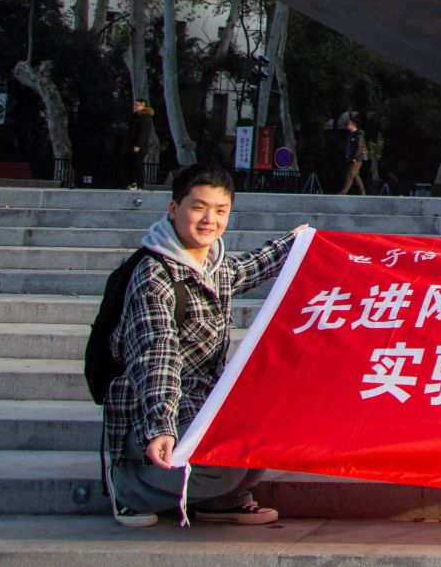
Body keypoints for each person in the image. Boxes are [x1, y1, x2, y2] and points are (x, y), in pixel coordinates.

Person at [103, 164, 301, 528]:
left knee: (261, 439)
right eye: (198, 207)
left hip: (201, 403)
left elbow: (249, 268)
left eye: (220, 210)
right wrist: (160, 426)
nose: (210, 219)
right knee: (222, 468)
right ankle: (130, 487)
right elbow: (156, 356)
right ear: (174, 209)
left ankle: (219, 500)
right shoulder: (153, 275)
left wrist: (296, 243)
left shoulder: (213, 266)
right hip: (149, 412)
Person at [127, 100, 155, 190]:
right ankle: (132, 183)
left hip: (139, 146)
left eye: (138, 105)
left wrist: (138, 144)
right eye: (135, 105)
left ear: (144, 107)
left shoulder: (145, 118)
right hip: (131, 145)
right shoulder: (135, 117)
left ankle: (139, 185)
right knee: (130, 164)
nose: (135, 107)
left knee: (138, 165)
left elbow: (143, 132)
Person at [338, 117, 367, 195]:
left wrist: (355, 158)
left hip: (356, 159)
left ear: (353, 125)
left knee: (350, 175)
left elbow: (359, 147)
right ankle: (363, 194)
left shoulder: (358, 135)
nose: (347, 126)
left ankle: (342, 193)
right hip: (350, 158)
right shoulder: (351, 135)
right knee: (356, 177)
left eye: (348, 124)